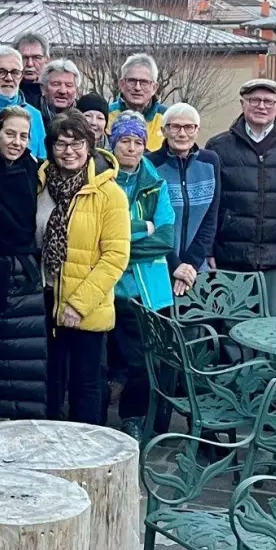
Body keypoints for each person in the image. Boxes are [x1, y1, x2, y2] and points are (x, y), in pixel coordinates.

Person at [39, 114, 129, 425]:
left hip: (85, 306)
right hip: (45, 299)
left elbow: (115, 256)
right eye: (61, 144)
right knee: (49, 384)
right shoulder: (41, 184)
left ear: (89, 146)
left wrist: (78, 305)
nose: (68, 151)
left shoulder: (109, 193)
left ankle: (86, 459)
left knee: (85, 388)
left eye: (76, 143)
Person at [205, 79, 276, 316]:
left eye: (269, 101)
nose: (261, 106)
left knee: (275, 326)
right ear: (242, 104)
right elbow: (211, 204)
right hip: (232, 255)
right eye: (254, 100)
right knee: (234, 324)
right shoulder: (218, 147)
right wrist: (209, 249)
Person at [0, 106, 48, 419]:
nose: (17, 142)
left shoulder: (37, 168)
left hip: (28, 271)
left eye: (23, 136)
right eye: (10, 134)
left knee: (26, 362)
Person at [108, 112, 177, 440]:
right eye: (125, 141)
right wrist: (142, 228)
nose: (132, 148)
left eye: (138, 142)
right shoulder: (101, 178)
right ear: (113, 143)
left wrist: (118, 244)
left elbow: (165, 239)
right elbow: (97, 234)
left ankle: (132, 418)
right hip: (107, 285)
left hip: (146, 288)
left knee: (140, 360)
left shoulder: (156, 184)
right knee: (106, 358)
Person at [148, 103, 221, 298]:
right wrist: (175, 264)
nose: (182, 133)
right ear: (164, 130)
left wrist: (190, 265)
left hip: (196, 268)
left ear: (197, 131)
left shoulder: (210, 162)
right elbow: (151, 222)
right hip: (160, 265)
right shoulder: (150, 164)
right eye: (175, 127)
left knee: (197, 325)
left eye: (189, 127)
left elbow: (210, 219)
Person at [0, 45, 49, 159]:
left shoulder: (35, 115)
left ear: (21, 76)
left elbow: (42, 162)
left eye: (15, 72)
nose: (9, 78)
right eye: (1, 72)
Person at [108, 53, 167, 151]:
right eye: (132, 81)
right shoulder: (106, 116)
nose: (137, 88)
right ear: (121, 84)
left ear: (154, 87)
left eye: (144, 82)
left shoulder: (167, 118)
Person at [40, 59, 83, 133]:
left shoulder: (84, 116)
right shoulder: (32, 116)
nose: (62, 91)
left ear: (76, 90)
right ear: (43, 88)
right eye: (56, 84)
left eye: (69, 85)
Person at [15, 33, 51, 109]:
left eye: (36, 57)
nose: (30, 64)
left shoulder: (54, 91)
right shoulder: (7, 94)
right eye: (24, 58)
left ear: (46, 60)